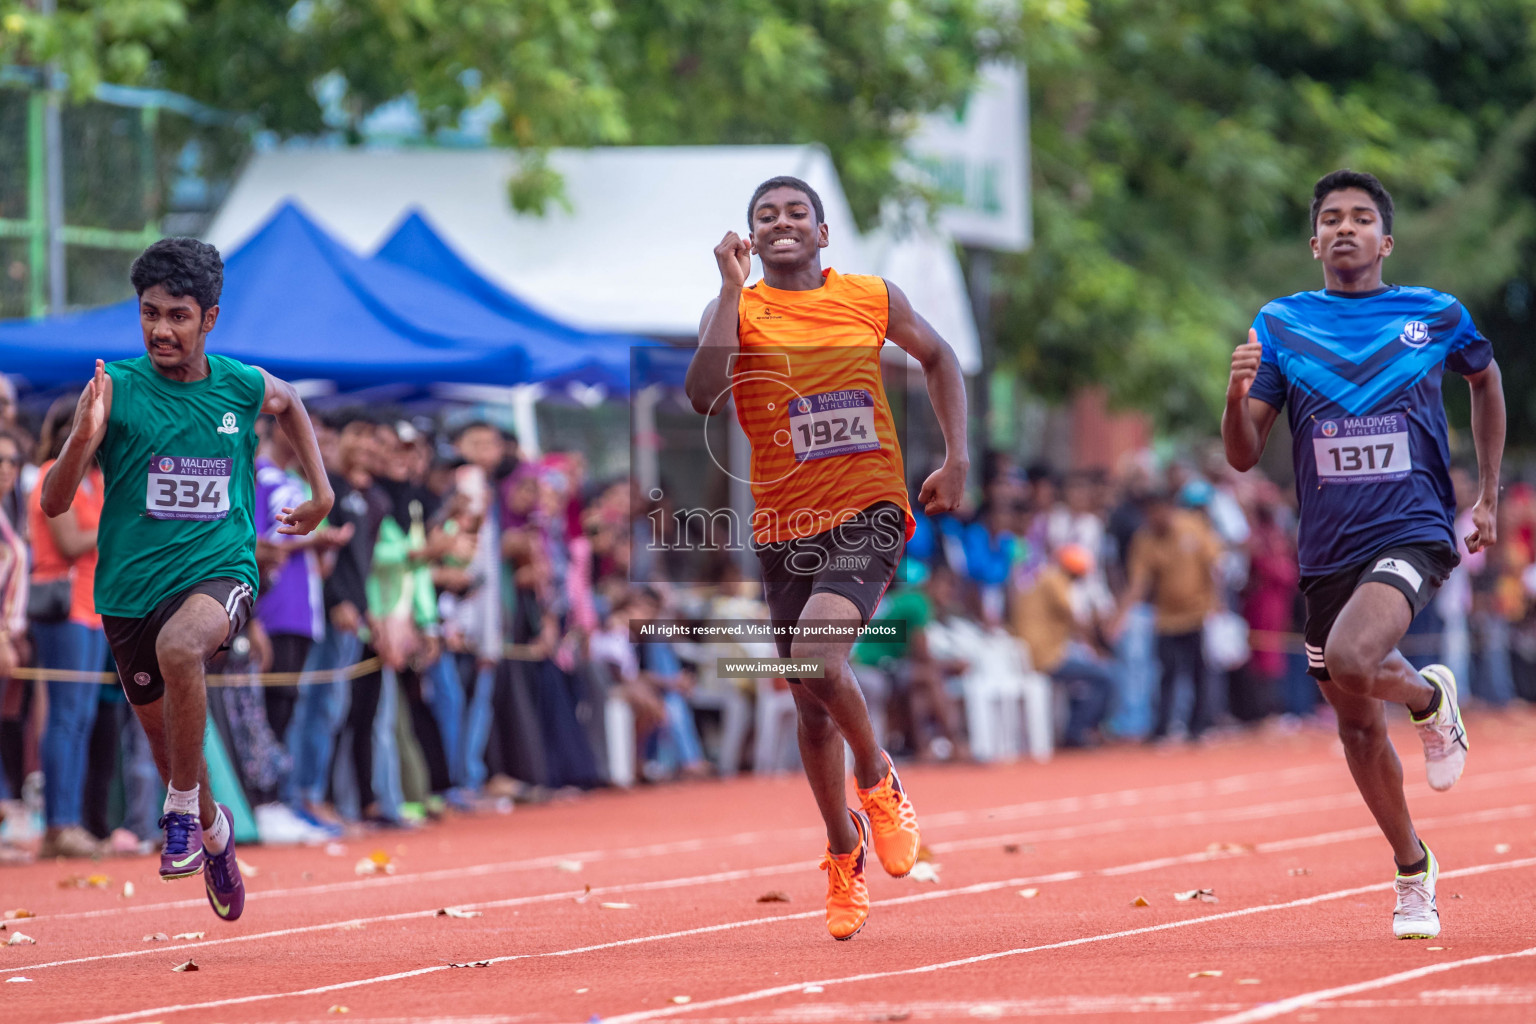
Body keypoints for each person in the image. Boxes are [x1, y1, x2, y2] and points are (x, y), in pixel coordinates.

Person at [1221, 170, 1504, 940]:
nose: (1346, 228)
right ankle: (1414, 868)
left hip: (1412, 528)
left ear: (1386, 240)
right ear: (1315, 242)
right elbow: (1245, 455)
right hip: (1326, 548)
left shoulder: (1434, 315)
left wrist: (1487, 494)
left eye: (1361, 218)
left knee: (1351, 656)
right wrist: (1233, 393)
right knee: (1352, 724)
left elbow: (1485, 379)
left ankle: (1425, 700)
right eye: (1333, 220)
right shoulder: (1280, 325)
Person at [685, 175, 968, 940]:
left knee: (815, 656)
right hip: (782, 525)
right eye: (765, 216)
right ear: (750, 236)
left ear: (822, 231)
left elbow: (941, 360)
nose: (781, 223)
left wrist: (957, 457)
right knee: (810, 707)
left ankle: (878, 780)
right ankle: (844, 851)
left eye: (795, 213)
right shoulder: (736, 309)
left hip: (869, 508)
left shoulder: (871, 296)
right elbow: (703, 395)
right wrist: (728, 290)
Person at [41, 238, 332, 922]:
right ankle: (213, 830)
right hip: (128, 592)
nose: (161, 329)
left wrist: (321, 494)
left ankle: (175, 817)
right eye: (149, 313)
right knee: (172, 745)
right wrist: (84, 438)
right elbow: (54, 503)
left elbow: (289, 403)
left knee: (182, 649)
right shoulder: (114, 390)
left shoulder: (238, 384)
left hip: (219, 570)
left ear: (210, 319)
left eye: (177, 315)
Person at [29, 399, 110, 858]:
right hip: (62, 607)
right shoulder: (50, 475)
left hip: (94, 609)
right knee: (64, 717)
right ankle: (57, 825)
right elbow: (70, 540)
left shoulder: (96, 479)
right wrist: (116, 526)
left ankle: (70, 822)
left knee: (81, 719)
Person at [1118, 489, 1222, 742]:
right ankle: (1162, 727)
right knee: (1167, 673)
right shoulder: (1144, 539)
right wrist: (1121, 615)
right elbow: (1139, 582)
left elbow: (1215, 566)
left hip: (1197, 613)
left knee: (1199, 672)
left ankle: (1199, 727)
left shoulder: (1193, 527)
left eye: (1158, 511)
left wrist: (1219, 605)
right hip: (1166, 618)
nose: (1154, 518)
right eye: (1149, 513)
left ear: (1169, 509)